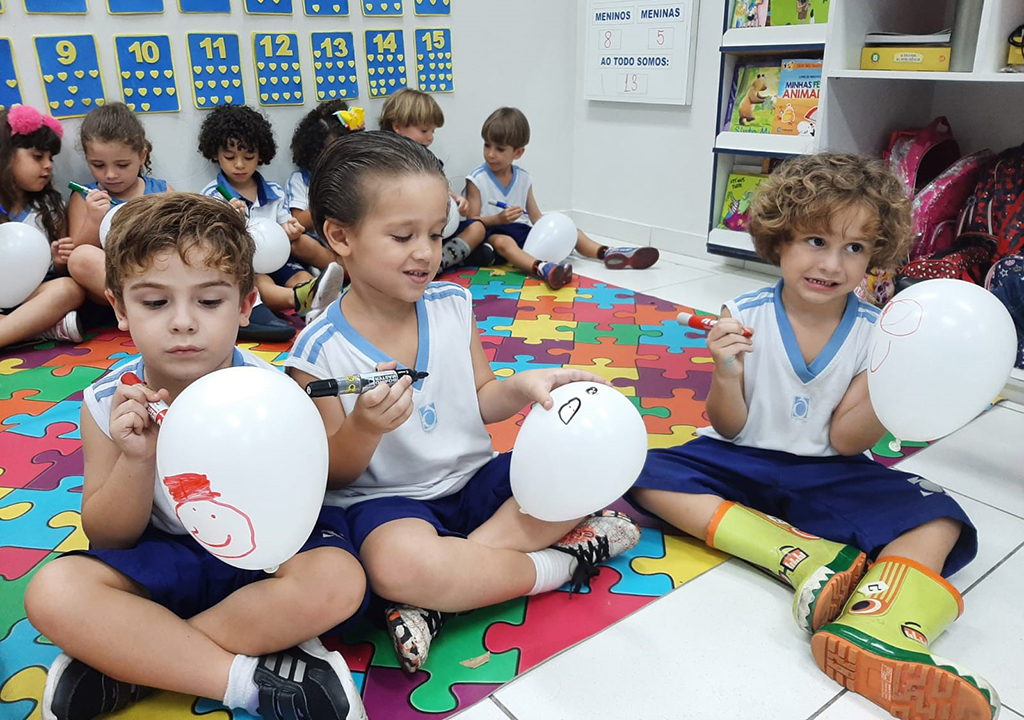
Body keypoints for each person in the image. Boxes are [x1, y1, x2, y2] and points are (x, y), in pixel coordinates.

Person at [629, 153, 998, 720]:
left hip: (828, 471)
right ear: (779, 242)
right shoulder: (745, 313)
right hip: (738, 458)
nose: (832, 263)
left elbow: (849, 442)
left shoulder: (878, 334)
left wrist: (896, 374)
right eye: (816, 241)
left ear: (876, 255)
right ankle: (804, 561)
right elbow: (728, 424)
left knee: (941, 516)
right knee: (641, 468)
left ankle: (880, 626)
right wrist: (726, 372)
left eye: (855, 248)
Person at [285, 131, 641, 673]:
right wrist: (365, 427)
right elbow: (331, 473)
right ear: (339, 236)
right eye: (403, 236)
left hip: (475, 479)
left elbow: (482, 398)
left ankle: (440, 600)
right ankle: (561, 565)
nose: (427, 252)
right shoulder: (317, 351)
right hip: (390, 507)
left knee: (571, 473)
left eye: (435, 232)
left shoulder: (453, 303)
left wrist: (520, 388)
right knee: (396, 565)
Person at [24, 192, 368, 720]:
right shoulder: (104, 403)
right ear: (119, 308)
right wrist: (137, 459)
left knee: (339, 580)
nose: (183, 323)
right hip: (165, 559)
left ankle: (130, 663)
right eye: (155, 302)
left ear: (246, 304)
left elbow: (296, 514)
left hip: (261, 560)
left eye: (209, 302)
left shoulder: (270, 393)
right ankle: (250, 684)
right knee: (53, 591)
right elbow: (110, 536)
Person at [465, 107, 660, 290]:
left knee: (573, 231)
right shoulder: (477, 179)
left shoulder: (524, 178)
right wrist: (499, 219)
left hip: (522, 231)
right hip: (493, 232)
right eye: (487, 145)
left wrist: (557, 228)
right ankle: (542, 268)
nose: (490, 154)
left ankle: (607, 252)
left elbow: (536, 217)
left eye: (500, 149)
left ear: (518, 152)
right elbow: (472, 221)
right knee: (503, 242)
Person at [198, 104, 344, 341]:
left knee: (302, 278)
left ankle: (316, 303)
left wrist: (291, 228)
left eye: (248, 157)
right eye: (230, 157)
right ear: (215, 153)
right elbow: (211, 240)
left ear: (260, 155)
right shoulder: (213, 195)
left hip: (280, 258)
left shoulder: (274, 192)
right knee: (262, 284)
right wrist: (231, 220)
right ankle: (297, 300)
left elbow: (286, 223)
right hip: (250, 263)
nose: (239, 165)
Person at [66, 102, 173, 304]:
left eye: (122, 165)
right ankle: (146, 305)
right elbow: (76, 256)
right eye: (98, 165)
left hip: (160, 275)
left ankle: (153, 303)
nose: (111, 174)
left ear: (142, 156)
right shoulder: (84, 197)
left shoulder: (162, 192)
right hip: (113, 288)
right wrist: (93, 220)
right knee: (80, 258)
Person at [379, 88, 490, 272]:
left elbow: (439, 188)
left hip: (436, 231)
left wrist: (455, 199)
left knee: (478, 228)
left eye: (433, 131)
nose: (430, 137)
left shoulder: (430, 160)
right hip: (410, 232)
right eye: (424, 130)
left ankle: (441, 261)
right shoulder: (387, 161)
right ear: (398, 127)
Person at [0, 104, 84, 346]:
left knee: (69, 288)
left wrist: (59, 262)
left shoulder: (49, 209)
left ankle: (11, 332)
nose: (48, 165)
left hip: (32, 298)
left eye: (50, 158)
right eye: (38, 157)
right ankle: (36, 330)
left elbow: (54, 273)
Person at [287, 99, 363, 270]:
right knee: (299, 243)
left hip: (357, 242)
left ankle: (357, 271)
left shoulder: (361, 176)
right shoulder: (302, 180)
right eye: (332, 152)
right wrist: (328, 201)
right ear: (314, 152)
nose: (339, 159)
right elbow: (298, 222)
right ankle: (344, 273)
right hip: (324, 247)